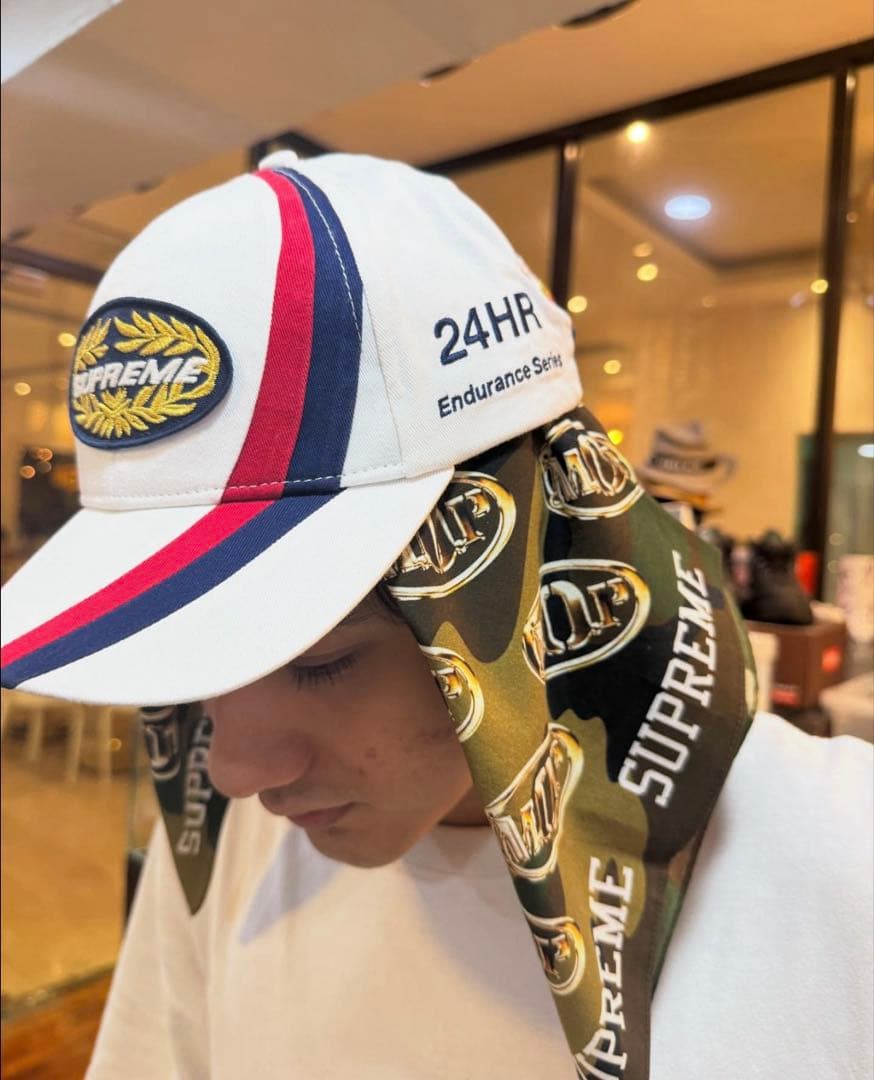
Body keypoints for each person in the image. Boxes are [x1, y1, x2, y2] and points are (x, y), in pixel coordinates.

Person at [1, 152, 871, 1080]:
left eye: (320, 662)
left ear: (535, 559)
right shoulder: (223, 835)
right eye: (197, 656)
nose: (237, 768)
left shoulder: (840, 879)